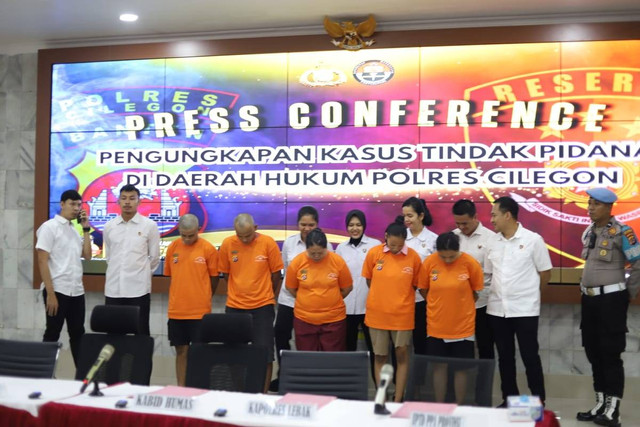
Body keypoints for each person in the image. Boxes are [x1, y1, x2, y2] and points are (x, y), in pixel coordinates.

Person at [576, 188, 640, 427]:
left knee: (610, 354)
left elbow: (638, 263)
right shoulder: (589, 231)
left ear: (609, 207)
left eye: (596, 204)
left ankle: (613, 410)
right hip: (590, 300)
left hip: (611, 302)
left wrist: (627, 295)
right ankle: (600, 404)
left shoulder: (623, 232)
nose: (590, 208)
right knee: (593, 353)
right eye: (589, 203)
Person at [485, 196, 552, 406]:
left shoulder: (533, 240)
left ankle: (537, 401)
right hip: (497, 310)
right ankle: (509, 400)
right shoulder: (492, 242)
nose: (491, 219)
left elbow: (545, 273)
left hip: (525, 310)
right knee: (505, 358)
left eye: (494, 215)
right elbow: (488, 274)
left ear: (508, 215)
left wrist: (530, 295)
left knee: (530, 356)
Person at [218, 213, 283, 393]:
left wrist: (265, 294)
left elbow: (276, 274)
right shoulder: (227, 244)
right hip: (234, 307)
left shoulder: (268, 243)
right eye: (241, 236)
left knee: (265, 354)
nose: (245, 239)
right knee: (233, 354)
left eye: (248, 235)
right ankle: (240, 393)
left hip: (262, 307)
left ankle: (261, 395)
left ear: (256, 228)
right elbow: (225, 274)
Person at [272, 206, 333, 390]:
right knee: (280, 335)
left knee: (307, 341)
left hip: (313, 303)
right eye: (303, 224)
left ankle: (309, 377)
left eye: (311, 224)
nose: (306, 228)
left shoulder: (327, 246)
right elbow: (285, 271)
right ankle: (285, 374)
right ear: (297, 224)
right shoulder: (290, 243)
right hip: (288, 300)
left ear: (317, 224)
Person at [419, 232, 483, 403]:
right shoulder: (430, 262)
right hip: (436, 325)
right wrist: (438, 303)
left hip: (463, 326)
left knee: (460, 369)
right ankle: (440, 406)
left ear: (458, 250)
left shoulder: (470, 263)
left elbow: (476, 292)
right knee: (438, 367)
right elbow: (423, 289)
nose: (447, 260)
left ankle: (459, 406)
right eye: (443, 256)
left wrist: (459, 304)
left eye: (451, 257)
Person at [363, 219, 423, 402]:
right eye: (391, 244)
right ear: (386, 237)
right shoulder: (374, 253)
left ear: (405, 240)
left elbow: (415, 286)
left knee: (402, 357)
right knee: (380, 356)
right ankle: (382, 396)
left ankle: (398, 398)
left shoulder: (413, 257)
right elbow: (369, 281)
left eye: (399, 245)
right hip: (377, 315)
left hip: (402, 317)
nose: (395, 248)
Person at [36, 189, 92, 367]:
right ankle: (44, 376)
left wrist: (85, 229)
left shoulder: (74, 231)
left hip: (76, 290)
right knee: (52, 333)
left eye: (78, 205)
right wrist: (51, 294)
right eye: (72, 204)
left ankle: (83, 377)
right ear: (62, 204)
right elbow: (42, 261)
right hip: (57, 290)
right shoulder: (49, 227)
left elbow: (88, 256)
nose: (76, 208)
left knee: (78, 334)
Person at [163, 214, 219, 387]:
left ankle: (198, 387)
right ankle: (181, 388)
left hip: (199, 312)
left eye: (191, 235)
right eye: (184, 235)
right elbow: (171, 275)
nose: (187, 239)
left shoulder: (208, 249)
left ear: (198, 230)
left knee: (199, 352)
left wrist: (203, 296)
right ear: (179, 230)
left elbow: (214, 279)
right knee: (181, 351)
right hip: (177, 310)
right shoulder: (172, 247)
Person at [103, 184, 160, 336]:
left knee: (141, 334)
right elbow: (109, 256)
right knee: (114, 335)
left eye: (132, 198)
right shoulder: (109, 226)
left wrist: (143, 275)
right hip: (113, 289)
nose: (127, 202)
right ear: (118, 202)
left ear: (139, 201)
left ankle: (141, 361)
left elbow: (154, 258)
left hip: (138, 290)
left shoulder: (150, 226)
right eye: (124, 198)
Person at [285, 228, 353, 351]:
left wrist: (331, 299)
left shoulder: (337, 262)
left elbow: (347, 288)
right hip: (304, 320)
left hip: (334, 321)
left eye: (320, 253)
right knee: (307, 360)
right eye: (312, 253)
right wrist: (307, 300)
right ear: (306, 249)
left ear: (326, 248)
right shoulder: (297, 263)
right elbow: (291, 288)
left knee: (332, 360)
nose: (316, 256)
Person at [335, 210, 380, 374]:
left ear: (364, 226)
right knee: (347, 350)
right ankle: (347, 387)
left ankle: (378, 389)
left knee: (376, 351)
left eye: (358, 225)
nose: (355, 228)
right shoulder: (341, 248)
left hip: (369, 306)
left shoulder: (375, 246)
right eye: (351, 225)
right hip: (346, 307)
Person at [452, 199, 496, 359]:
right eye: (458, 223)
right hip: (457, 305)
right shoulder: (452, 237)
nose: (461, 227)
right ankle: (463, 383)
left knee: (485, 347)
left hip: (483, 303)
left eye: (465, 223)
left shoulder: (491, 238)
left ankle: (483, 384)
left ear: (475, 217)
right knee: (460, 349)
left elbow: (494, 272)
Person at [402, 197, 437, 355]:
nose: (406, 220)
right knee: (400, 344)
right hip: (401, 299)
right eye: (405, 216)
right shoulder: (400, 237)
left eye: (410, 215)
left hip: (422, 299)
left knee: (421, 342)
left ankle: (420, 379)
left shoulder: (433, 240)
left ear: (421, 216)